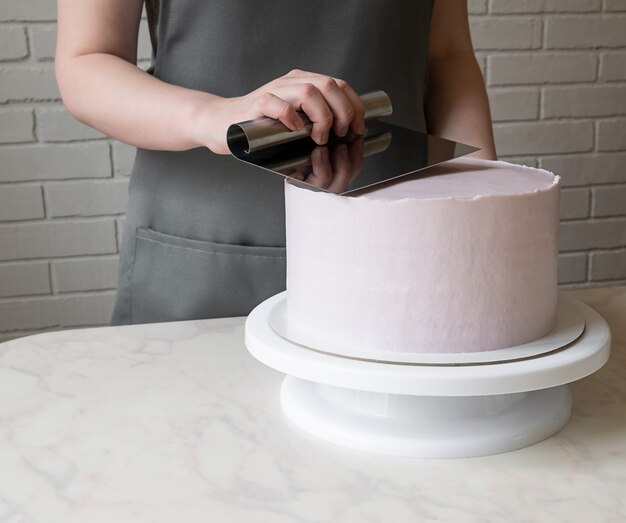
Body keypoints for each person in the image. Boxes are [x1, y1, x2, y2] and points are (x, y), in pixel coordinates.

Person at [55, 0, 497, 325]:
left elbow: (446, 56)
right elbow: (87, 60)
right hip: (205, 252)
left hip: (407, 240)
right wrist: (214, 116)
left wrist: (489, 204)